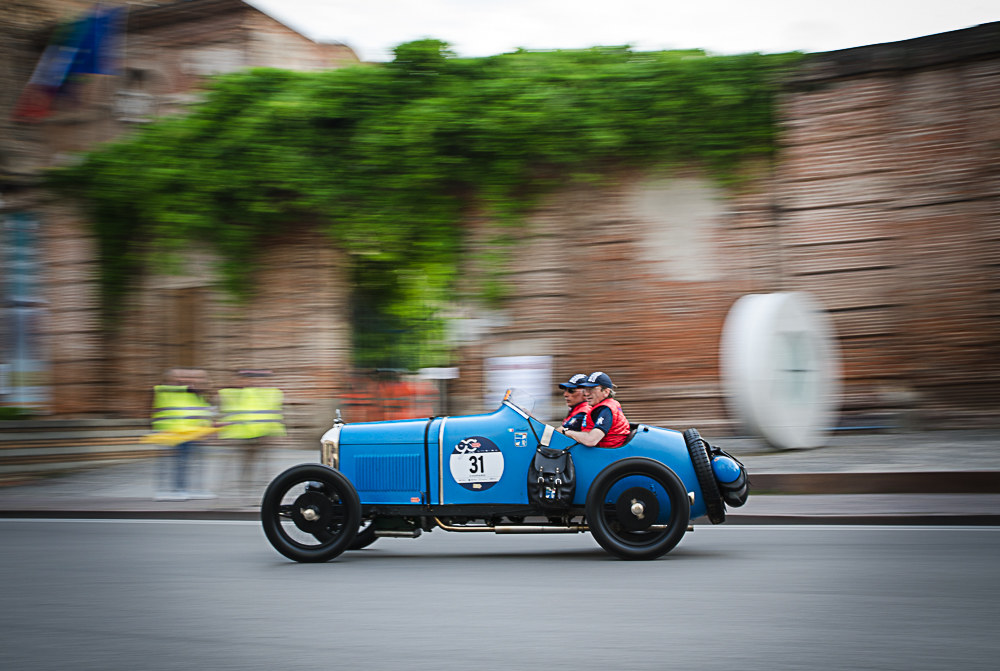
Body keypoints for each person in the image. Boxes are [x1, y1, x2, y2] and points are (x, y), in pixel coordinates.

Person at [151, 368, 215, 500]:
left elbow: (200, 411)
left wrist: (205, 428)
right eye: (178, 377)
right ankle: (172, 490)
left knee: (193, 463)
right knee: (175, 463)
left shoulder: (192, 393)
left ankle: (196, 490)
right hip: (172, 432)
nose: (183, 379)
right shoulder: (165, 391)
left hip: (191, 433)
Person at [217, 369, 285, 494]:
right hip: (241, 435)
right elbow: (229, 412)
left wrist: (277, 432)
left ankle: (261, 493)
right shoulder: (233, 394)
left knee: (263, 468)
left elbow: (274, 413)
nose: (254, 381)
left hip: (262, 435)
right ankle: (244, 492)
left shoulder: (270, 394)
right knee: (243, 467)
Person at [559, 371, 630, 447]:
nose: (587, 394)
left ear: (606, 392)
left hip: (606, 454)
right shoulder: (600, 408)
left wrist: (566, 432)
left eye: (592, 389)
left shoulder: (606, 409)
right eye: (586, 389)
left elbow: (591, 440)